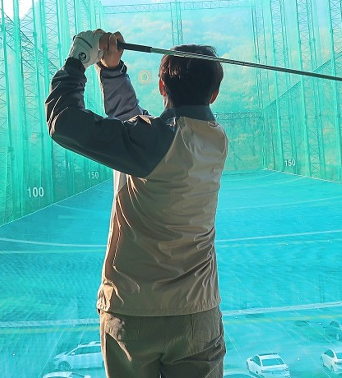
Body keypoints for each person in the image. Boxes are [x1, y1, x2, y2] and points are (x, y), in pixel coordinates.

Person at [45, 29, 228, 378]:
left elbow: (64, 122)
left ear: (162, 87)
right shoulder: (215, 138)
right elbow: (134, 122)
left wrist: (77, 61)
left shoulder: (150, 140)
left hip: (132, 314)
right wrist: (112, 71)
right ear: (214, 94)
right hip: (197, 312)